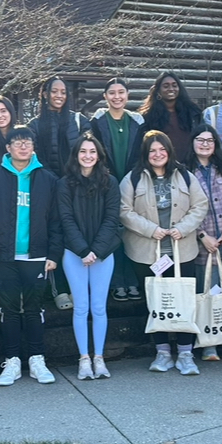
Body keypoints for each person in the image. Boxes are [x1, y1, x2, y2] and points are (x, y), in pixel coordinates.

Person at [0, 126, 63, 387]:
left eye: (27, 142)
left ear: (33, 147)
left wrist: (53, 253)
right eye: (17, 142)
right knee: (9, 310)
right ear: (8, 148)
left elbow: (56, 221)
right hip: (4, 257)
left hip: (36, 255)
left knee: (35, 309)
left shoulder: (48, 179)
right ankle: (11, 360)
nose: (23, 146)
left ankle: (37, 359)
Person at [120, 130, 209, 375]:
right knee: (156, 302)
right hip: (148, 252)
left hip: (183, 251)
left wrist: (182, 228)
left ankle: (185, 353)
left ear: (169, 152)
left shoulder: (185, 177)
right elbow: (124, 210)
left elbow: (200, 205)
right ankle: (162, 353)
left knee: (183, 302)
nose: (158, 154)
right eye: (152, 151)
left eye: (162, 149)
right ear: (145, 154)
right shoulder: (133, 178)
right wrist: (151, 230)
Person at [57, 133, 121, 379]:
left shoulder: (110, 182)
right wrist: (83, 250)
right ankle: (84, 358)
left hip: (103, 255)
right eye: (83, 151)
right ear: (76, 155)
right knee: (81, 307)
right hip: (74, 254)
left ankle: (99, 358)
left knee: (99, 307)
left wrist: (96, 250)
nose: (88, 156)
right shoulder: (64, 184)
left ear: (99, 155)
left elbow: (112, 219)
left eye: (92, 152)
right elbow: (66, 219)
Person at [187, 123, 222, 362]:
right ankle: (209, 343)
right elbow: (184, 207)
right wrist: (201, 235)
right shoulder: (184, 170)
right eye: (200, 140)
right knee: (207, 293)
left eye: (209, 140)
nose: (204, 144)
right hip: (204, 244)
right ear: (192, 143)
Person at [89, 77, 145, 300]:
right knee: (112, 230)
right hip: (107, 183)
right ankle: (116, 282)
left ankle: (132, 280)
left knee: (132, 231)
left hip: (133, 182)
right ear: (105, 97)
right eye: (112, 93)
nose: (117, 97)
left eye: (121, 92)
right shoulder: (97, 122)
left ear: (127, 95)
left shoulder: (137, 122)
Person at [28, 76, 91, 172]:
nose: (59, 95)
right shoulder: (34, 126)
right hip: (47, 182)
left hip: (76, 181)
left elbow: (88, 152)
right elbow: (34, 157)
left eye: (63, 92)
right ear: (45, 94)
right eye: (54, 91)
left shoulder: (79, 121)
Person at [140, 72, 204, 155]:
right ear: (158, 91)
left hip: (191, 164)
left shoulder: (193, 113)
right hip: (162, 164)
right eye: (166, 86)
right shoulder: (148, 117)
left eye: (174, 85)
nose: (171, 89)